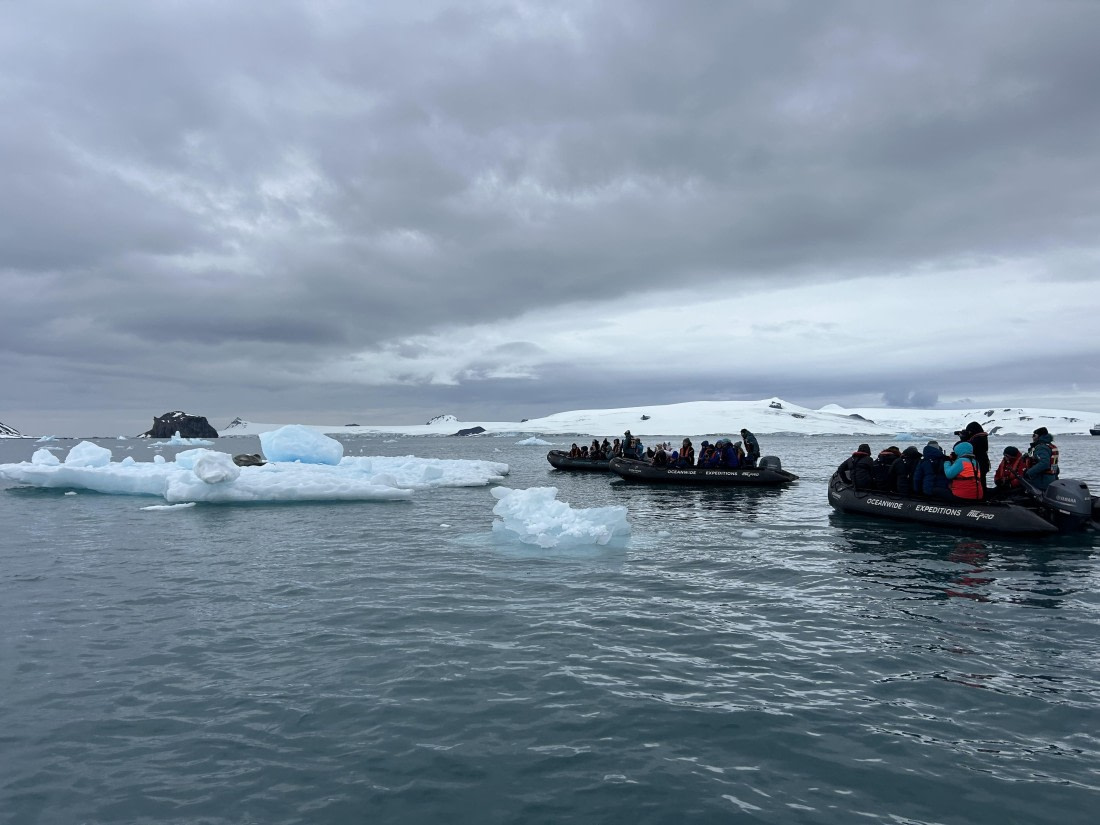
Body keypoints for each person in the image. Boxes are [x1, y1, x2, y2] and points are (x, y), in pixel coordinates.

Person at [1023, 426, 1060, 491]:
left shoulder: (1041, 448)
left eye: (1034, 435)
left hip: (1041, 480)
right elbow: (1054, 465)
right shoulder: (1050, 446)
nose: (1032, 437)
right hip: (1051, 478)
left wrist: (1028, 473)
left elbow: (1044, 463)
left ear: (1039, 436)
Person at [956, 421, 991, 486]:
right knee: (981, 481)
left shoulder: (978, 439)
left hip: (979, 464)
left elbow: (966, 447)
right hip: (983, 463)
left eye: (969, 431)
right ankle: (982, 493)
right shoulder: (982, 437)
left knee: (979, 482)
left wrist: (963, 439)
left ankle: (980, 494)